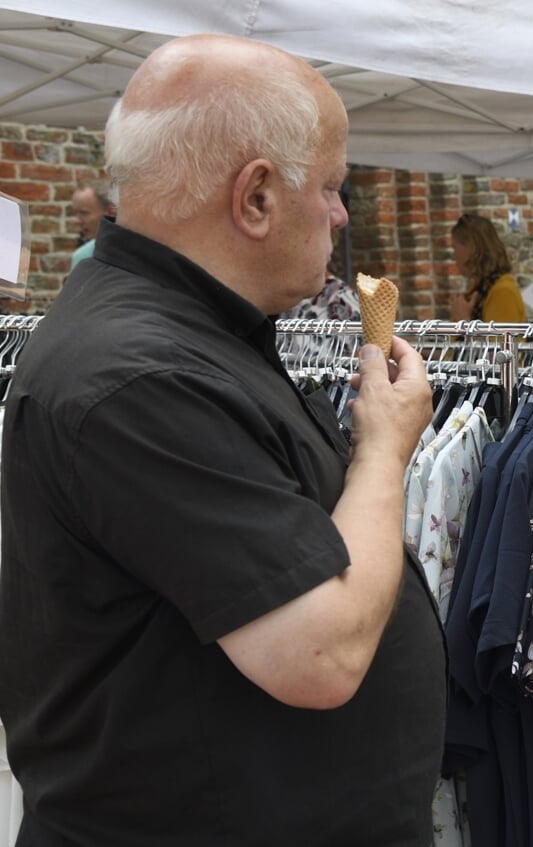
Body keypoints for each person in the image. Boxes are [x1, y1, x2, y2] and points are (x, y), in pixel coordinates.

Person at [0, 34, 444, 846]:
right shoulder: (139, 377)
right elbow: (321, 652)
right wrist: (385, 446)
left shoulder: (186, 335)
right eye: (332, 188)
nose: (342, 215)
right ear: (257, 198)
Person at [447, 212, 526, 322]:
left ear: (470, 249)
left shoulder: (502, 292)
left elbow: (501, 338)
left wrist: (463, 320)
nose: (454, 256)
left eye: (455, 248)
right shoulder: (479, 288)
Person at [68, 178, 116, 265]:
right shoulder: (82, 256)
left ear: (110, 211)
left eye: (83, 213)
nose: (77, 221)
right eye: (75, 213)